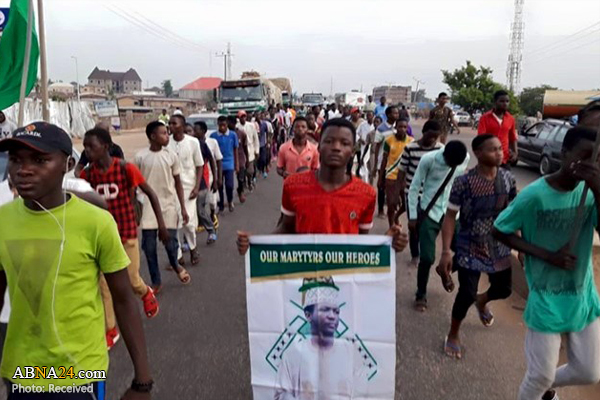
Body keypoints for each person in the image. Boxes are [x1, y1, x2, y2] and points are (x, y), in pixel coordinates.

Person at [0, 122, 153, 399]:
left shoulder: (96, 222)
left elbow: (123, 299)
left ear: (68, 164)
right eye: (16, 159)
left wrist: (142, 382)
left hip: (79, 371)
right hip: (22, 370)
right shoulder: (3, 220)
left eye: (39, 160)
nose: (23, 170)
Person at [492, 126, 600, 400]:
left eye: (596, 159)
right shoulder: (535, 195)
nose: (589, 164)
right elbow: (499, 230)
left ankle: (544, 388)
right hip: (546, 296)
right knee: (539, 375)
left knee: (589, 372)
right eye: (583, 156)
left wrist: (598, 190)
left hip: (582, 296)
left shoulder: (591, 193)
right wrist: (547, 255)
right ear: (564, 154)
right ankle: (539, 386)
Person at [80, 127, 164, 348]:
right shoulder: (87, 175)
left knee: (131, 279)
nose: (87, 151)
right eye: (85, 147)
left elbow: (150, 194)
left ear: (106, 147)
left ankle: (145, 292)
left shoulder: (126, 168)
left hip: (126, 233)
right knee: (104, 285)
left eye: (91, 146)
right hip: (102, 237)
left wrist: (161, 225)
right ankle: (110, 329)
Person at [437, 134, 516, 360]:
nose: (499, 153)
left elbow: (514, 212)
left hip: (499, 243)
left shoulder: (508, 179)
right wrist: (446, 251)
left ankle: (482, 301)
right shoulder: (464, 182)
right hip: (470, 243)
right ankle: (453, 333)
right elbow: (450, 216)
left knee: (504, 290)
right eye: (493, 149)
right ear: (478, 153)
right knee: (466, 293)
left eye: (500, 148)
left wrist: (520, 244)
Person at [408, 141, 470, 312]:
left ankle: (444, 269)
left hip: (452, 213)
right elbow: (414, 188)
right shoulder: (429, 160)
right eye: (450, 163)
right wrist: (412, 216)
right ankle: (421, 294)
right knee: (427, 258)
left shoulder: (465, 158)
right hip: (430, 212)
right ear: (445, 156)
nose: (452, 166)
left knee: (465, 252)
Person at [274, 277, 358, 399]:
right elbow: (281, 395)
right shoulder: (293, 353)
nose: (332, 316)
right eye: (325, 309)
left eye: (336, 311)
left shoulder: (350, 352)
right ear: (308, 315)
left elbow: (364, 393)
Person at [135, 121, 191, 292]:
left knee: (170, 243)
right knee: (149, 247)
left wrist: (183, 207)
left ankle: (175, 264)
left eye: (167, 133)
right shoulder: (140, 157)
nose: (168, 136)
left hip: (168, 205)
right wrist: (133, 208)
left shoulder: (171, 156)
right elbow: (133, 184)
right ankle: (156, 280)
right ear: (153, 136)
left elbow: (178, 183)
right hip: (147, 207)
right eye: (163, 133)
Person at [398, 120, 444, 266]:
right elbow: (402, 171)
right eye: (430, 136)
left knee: (428, 225)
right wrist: (399, 191)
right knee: (414, 225)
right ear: (423, 133)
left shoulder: (440, 149)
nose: (432, 140)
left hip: (432, 195)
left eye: (435, 137)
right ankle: (415, 254)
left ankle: (426, 252)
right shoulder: (410, 148)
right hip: (413, 194)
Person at [167, 115, 204, 266]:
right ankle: (178, 255)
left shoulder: (193, 142)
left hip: (189, 189)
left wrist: (197, 187)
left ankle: (193, 248)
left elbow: (199, 165)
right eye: (169, 123)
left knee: (188, 222)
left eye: (174, 123)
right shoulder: (166, 143)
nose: (170, 126)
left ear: (182, 126)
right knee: (175, 223)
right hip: (171, 189)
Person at [379, 118, 413, 228]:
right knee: (391, 204)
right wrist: (380, 178)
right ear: (396, 127)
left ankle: (396, 216)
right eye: (400, 126)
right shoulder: (389, 140)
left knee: (406, 204)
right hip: (391, 176)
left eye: (405, 127)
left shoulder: (411, 142)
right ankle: (392, 226)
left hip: (405, 178)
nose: (402, 129)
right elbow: (384, 159)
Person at [193, 121, 222, 244]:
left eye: (194, 130)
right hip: (186, 184)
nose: (192, 133)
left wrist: (216, 179)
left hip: (202, 182)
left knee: (200, 210)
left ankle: (211, 230)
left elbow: (212, 160)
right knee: (188, 214)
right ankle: (187, 240)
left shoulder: (202, 145)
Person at [477, 90, 518, 168]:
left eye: (507, 101)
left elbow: (513, 138)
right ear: (495, 102)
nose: (505, 104)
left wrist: (515, 153)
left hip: (505, 159)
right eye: (502, 101)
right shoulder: (485, 118)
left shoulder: (511, 119)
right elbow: (480, 138)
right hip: (489, 159)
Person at [373, 105, 399, 218]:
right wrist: (375, 165)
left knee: (394, 187)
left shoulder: (398, 127)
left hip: (395, 163)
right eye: (395, 113)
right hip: (383, 163)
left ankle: (392, 209)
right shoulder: (381, 128)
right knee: (382, 186)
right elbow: (377, 147)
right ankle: (380, 210)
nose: (397, 115)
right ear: (388, 115)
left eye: (397, 113)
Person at [211, 116, 239, 212]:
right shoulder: (213, 136)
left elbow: (235, 150)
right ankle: (221, 204)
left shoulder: (233, 135)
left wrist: (237, 164)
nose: (222, 127)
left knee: (229, 185)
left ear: (227, 125)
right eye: (220, 125)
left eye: (224, 125)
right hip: (218, 164)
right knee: (219, 184)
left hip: (229, 162)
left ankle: (230, 201)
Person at [237, 110, 260, 192]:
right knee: (242, 170)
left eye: (244, 116)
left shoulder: (251, 126)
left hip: (250, 150)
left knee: (250, 171)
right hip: (241, 151)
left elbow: (255, 139)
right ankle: (243, 184)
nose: (243, 118)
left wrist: (257, 150)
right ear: (239, 118)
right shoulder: (237, 127)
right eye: (241, 117)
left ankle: (250, 181)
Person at [232, 115, 249, 204]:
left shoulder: (241, 133)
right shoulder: (226, 135)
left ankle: (240, 191)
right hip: (230, 160)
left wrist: (247, 159)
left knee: (241, 178)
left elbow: (245, 147)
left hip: (241, 158)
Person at [256, 112, 271, 178]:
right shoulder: (254, 124)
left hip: (263, 143)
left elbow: (267, 133)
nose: (259, 117)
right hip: (256, 145)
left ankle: (264, 170)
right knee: (257, 159)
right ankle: (258, 171)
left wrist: (267, 142)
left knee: (263, 159)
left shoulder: (264, 124)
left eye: (259, 115)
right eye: (257, 115)